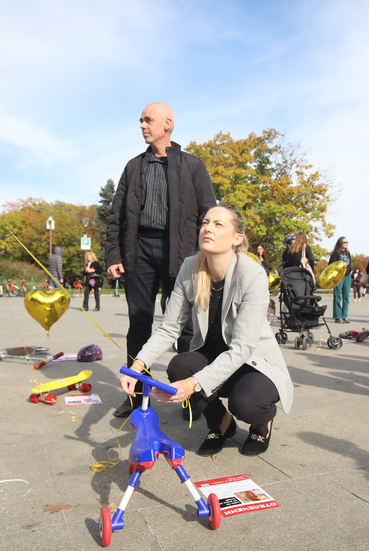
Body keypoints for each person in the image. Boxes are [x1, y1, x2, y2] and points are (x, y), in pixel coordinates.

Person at [119, 205, 293, 456]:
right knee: (179, 366)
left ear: (237, 239)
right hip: (214, 356)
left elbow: (242, 348)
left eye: (218, 224)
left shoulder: (252, 274)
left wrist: (192, 385)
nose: (208, 228)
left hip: (253, 363)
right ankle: (221, 423)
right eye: (205, 222)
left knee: (245, 404)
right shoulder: (190, 267)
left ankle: (261, 422)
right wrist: (137, 367)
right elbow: (169, 328)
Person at [105, 102, 217, 418]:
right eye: (141, 120)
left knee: (183, 324)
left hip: (180, 253)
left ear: (167, 123)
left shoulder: (192, 166)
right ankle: (135, 395)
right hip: (138, 251)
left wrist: (206, 257)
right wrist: (114, 254)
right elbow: (116, 215)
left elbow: (208, 214)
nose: (142, 125)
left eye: (148, 119)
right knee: (138, 322)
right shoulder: (133, 167)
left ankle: (188, 395)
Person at [328, 237, 353, 323]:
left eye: (347, 242)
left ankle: (344, 315)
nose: (346, 244)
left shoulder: (348, 253)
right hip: (338, 277)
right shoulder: (336, 253)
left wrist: (350, 271)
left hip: (347, 276)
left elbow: (349, 263)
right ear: (340, 243)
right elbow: (331, 265)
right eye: (344, 242)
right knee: (338, 296)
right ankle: (338, 316)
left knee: (346, 296)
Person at [254, 244, 275, 317]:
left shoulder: (265, 260)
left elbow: (268, 269)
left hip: (264, 280)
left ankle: (265, 313)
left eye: (261, 249)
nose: (259, 251)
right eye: (258, 249)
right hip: (256, 281)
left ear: (263, 250)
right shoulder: (254, 259)